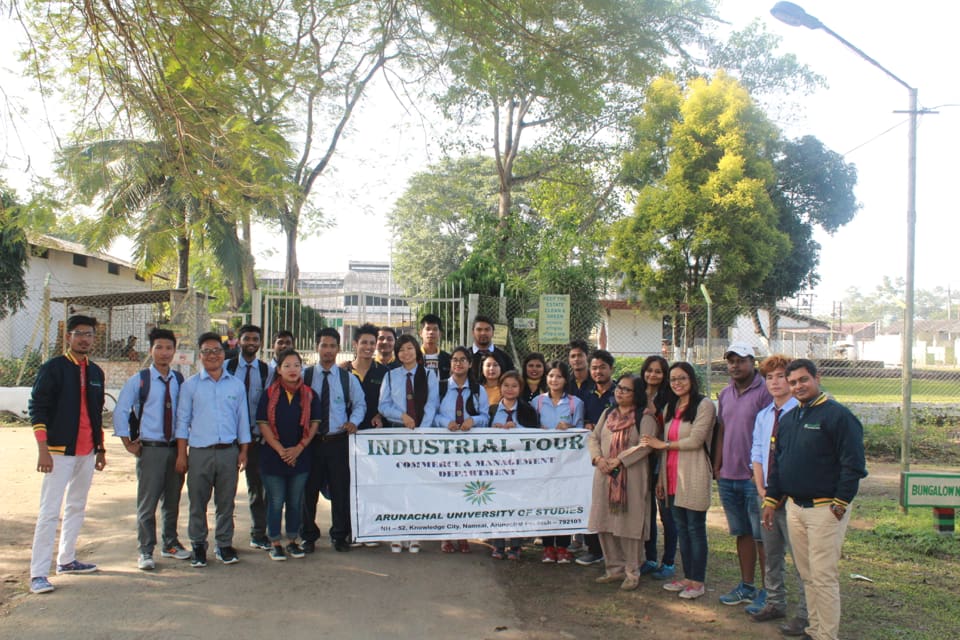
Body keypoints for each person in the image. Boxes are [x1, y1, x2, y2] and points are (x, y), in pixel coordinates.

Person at [762, 359, 867, 640]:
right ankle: (814, 629)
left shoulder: (838, 417)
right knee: (807, 574)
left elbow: (853, 464)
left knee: (824, 576)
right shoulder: (789, 419)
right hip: (795, 508)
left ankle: (826, 635)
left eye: (803, 380)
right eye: (793, 382)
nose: (798, 386)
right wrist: (772, 500)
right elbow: (779, 464)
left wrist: (841, 502)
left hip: (826, 510)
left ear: (817, 378)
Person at [28, 315, 107, 594]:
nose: (85, 339)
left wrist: (100, 449)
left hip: (86, 452)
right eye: (79, 333)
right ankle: (38, 574)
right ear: (68, 337)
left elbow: (96, 414)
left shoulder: (96, 372)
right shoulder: (53, 369)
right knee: (49, 512)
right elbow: (37, 408)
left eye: (90, 334)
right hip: (58, 452)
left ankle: (67, 559)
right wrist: (43, 450)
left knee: (77, 506)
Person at [113, 328, 190, 570]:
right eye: (159, 347)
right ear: (151, 350)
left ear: (174, 352)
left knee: (173, 499)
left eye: (169, 348)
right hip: (150, 449)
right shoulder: (141, 380)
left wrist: (182, 451)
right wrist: (127, 442)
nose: (164, 353)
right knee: (148, 502)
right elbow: (121, 410)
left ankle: (171, 543)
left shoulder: (179, 381)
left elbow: (183, 416)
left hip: (174, 448)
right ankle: (145, 550)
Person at [641, 361, 716, 600]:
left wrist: (663, 445)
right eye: (673, 379)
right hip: (671, 475)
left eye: (682, 378)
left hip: (693, 473)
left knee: (695, 528)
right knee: (681, 528)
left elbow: (695, 440)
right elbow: (664, 449)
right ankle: (687, 576)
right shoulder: (670, 407)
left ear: (692, 380)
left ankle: (698, 580)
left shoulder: (704, 405)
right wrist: (661, 480)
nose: (677, 383)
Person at [175, 332, 251, 567]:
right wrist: (181, 454)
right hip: (199, 452)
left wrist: (244, 451)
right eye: (207, 351)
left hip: (228, 451)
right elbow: (182, 421)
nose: (212, 355)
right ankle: (198, 545)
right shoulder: (190, 386)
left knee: (226, 502)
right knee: (198, 502)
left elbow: (242, 420)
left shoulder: (236, 385)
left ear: (223, 353)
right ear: (200, 356)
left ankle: (224, 545)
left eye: (217, 350)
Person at [749, 354, 808, 634]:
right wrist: (763, 490)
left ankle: (807, 613)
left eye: (780, 376)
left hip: (794, 497)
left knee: (801, 558)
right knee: (771, 551)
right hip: (768, 496)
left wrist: (780, 493)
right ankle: (775, 601)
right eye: (769, 377)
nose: (775, 382)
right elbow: (757, 454)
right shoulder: (764, 416)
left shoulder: (801, 413)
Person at [717, 343, 773, 608]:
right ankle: (747, 585)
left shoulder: (765, 392)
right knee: (742, 533)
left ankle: (768, 590)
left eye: (741, 360)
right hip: (728, 475)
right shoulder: (725, 393)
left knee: (762, 536)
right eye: (731, 361)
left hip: (753, 479)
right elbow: (721, 431)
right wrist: (718, 465)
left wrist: (759, 473)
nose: (735, 366)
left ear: (753, 362)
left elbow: (770, 435)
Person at [301, 327, 366, 553]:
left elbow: (360, 404)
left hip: (338, 442)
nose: (328, 350)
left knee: (340, 490)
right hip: (311, 442)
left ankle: (339, 535)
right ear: (317, 347)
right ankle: (308, 535)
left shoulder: (347, 379)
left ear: (339, 349)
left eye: (332, 346)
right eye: (324, 345)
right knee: (308, 490)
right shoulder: (305, 376)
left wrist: (354, 422)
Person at [589, 374, 656, 591]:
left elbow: (645, 445)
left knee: (629, 525)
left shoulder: (644, 417)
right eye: (619, 388)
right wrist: (599, 459)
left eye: (626, 389)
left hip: (631, 478)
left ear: (636, 394)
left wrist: (620, 460)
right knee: (605, 523)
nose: (620, 392)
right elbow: (594, 438)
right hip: (605, 476)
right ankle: (613, 569)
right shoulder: (608, 414)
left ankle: (632, 572)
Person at [256, 349, 320, 561]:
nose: (292, 370)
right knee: (276, 500)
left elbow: (313, 425)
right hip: (273, 456)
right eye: (287, 366)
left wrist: (298, 449)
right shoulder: (269, 394)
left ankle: (292, 540)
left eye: (296, 365)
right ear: (279, 369)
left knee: (295, 501)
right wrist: (281, 450)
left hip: (300, 457)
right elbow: (263, 423)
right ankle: (275, 541)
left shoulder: (310, 394)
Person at [378, 334, 439, 554]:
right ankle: (397, 533)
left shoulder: (429, 375)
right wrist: (402, 416)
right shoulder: (391, 376)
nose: (406, 353)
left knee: (416, 486)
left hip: (421, 434)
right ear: (397, 354)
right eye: (401, 350)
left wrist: (422, 427)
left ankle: (414, 534)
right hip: (397, 433)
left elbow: (432, 403)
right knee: (397, 485)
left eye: (410, 348)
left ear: (417, 350)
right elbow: (383, 405)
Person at [433, 346, 489, 553]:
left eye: (463, 359)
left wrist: (472, 420)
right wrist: (445, 422)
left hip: (468, 449)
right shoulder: (440, 388)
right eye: (455, 360)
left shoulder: (478, 390)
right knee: (446, 490)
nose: (458, 363)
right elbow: (434, 414)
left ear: (470, 364)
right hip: (444, 448)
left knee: (465, 490)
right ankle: (446, 535)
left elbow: (486, 417)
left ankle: (464, 534)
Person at [225, 324, 270, 552]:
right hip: (229, 440)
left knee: (258, 490)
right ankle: (224, 540)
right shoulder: (227, 367)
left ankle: (258, 533)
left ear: (260, 343)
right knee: (226, 492)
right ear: (239, 341)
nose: (251, 342)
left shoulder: (265, 371)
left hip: (255, 440)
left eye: (255, 338)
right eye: (247, 338)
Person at [535, 360, 584, 564]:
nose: (554, 380)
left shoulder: (575, 403)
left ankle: (563, 546)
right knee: (546, 501)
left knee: (564, 501)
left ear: (566, 380)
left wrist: (570, 428)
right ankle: (548, 546)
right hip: (543, 463)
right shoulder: (537, 402)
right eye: (551, 376)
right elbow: (530, 431)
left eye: (559, 376)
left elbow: (582, 433)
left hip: (566, 463)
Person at [636, 355, 678, 581]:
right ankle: (650, 558)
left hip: (662, 462)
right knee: (647, 513)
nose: (653, 375)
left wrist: (656, 413)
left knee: (667, 513)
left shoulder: (669, 398)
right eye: (649, 370)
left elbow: (671, 429)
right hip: (642, 461)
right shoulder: (638, 394)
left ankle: (669, 561)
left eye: (658, 371)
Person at [489, 370, 538, 560]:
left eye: (514, 386)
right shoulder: (492, 410)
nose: (509, 389)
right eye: (506, 385)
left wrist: (518, 430)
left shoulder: (527, 410)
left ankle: (516, 546)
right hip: (496, 466)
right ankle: (498, 545)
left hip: (521, 466)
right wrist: (491, 430)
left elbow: (536, 437)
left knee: (517, 503)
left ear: (520, 389)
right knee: (497, 503)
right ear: (500, 387)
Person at [575, 349, 617, 567]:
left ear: (611, 368)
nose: (598, 371)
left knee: (616, 501)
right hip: (592, 456)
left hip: (616, 454)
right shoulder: (586, 394)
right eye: (594, 367)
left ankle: (617, 551)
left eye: (602, 367)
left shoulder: (620, 392)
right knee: (592, 500)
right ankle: (594, 549)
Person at [342, 323, 388, 431]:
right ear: (355, 344)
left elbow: (390, 402)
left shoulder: (385, 372)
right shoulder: (343, 372)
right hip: (347, 432)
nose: (368, 347)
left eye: (372, 343)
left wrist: (380, 416)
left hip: (374, 432)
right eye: (364, 342)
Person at [419, 313, 451, 381]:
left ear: (440, 334)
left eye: (435, 329)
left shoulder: (448, 359)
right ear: (421, 333)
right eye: (427, 329)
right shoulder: (414, 357)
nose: (431, 332)